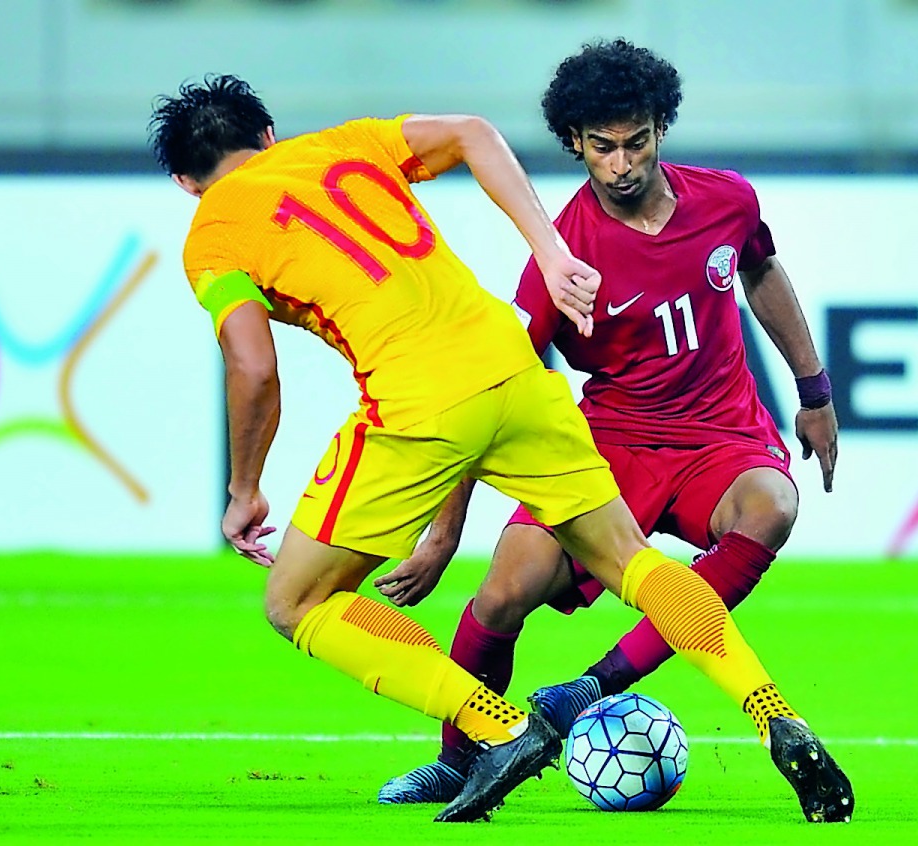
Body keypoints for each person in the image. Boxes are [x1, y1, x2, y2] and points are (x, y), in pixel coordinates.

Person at [148, 73, 848, 825]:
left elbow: (252, 365)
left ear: (187, 182)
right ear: (268, 136)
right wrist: (549, 250)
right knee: (633, 563)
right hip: (512, 366)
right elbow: (476, 131)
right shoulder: (343, 145)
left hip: (415, 402)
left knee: (297, 601)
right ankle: (774, 710)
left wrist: (243, 488)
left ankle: (501, 727)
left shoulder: (211, 237)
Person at [377, 40, 851, 824]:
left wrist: (814, 389)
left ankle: (591, 687)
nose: (622, 162)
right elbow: (490, 393)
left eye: (637, 141)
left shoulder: (727, 201)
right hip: (606, 450)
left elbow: (762, 271)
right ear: (576, 144)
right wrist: (440, 535)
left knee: (773, 504)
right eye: (603, 146)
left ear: (661, 127)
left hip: (720, 437)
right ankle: (456, 763)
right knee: (502, 595)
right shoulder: (560, 260)